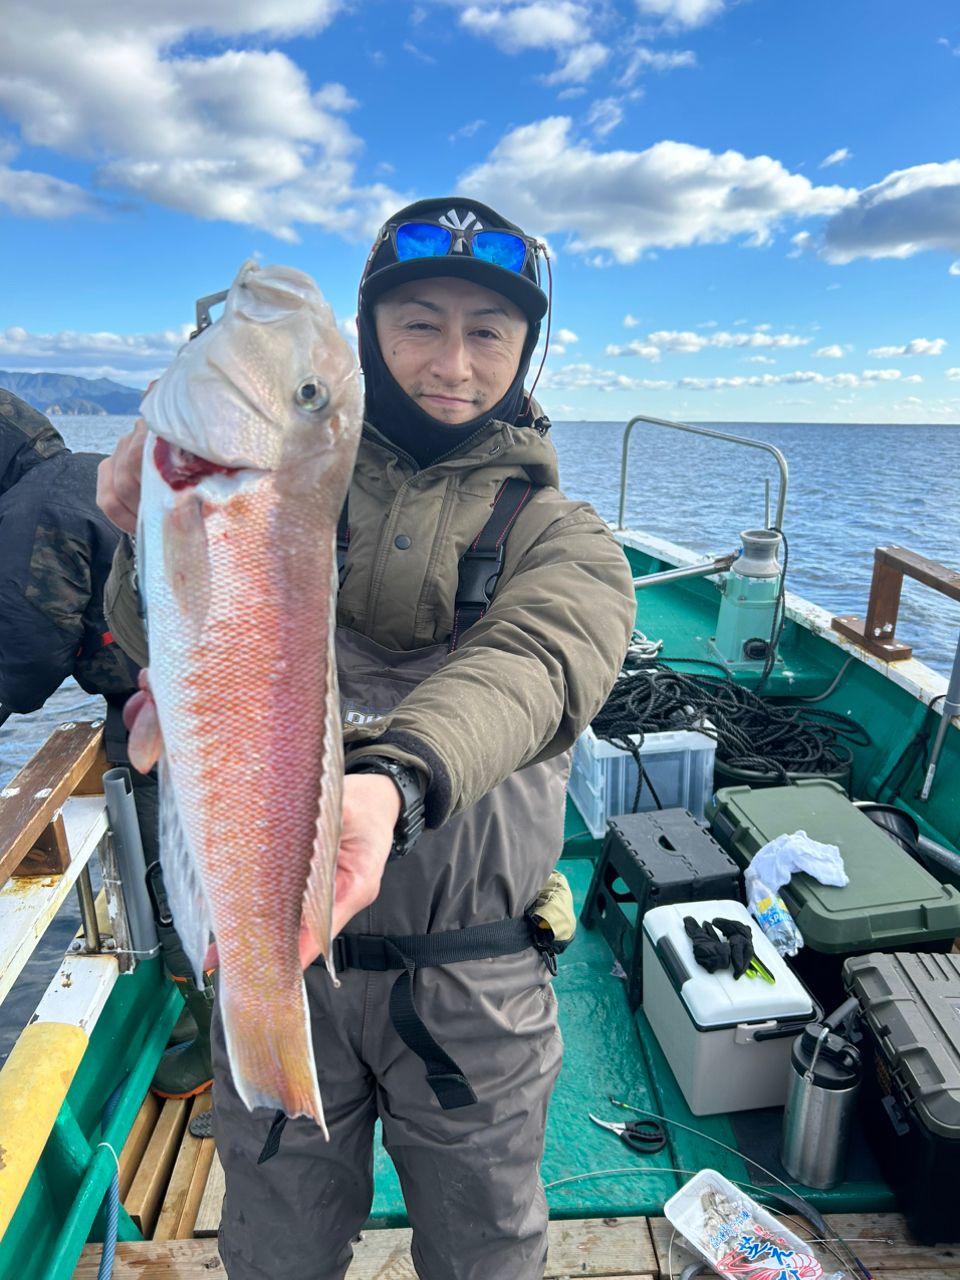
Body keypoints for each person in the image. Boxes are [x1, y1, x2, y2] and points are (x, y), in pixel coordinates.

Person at [97, 197, 637, 1280]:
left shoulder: (563, 535)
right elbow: (168, 639)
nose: (452, 359)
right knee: (276, 1238)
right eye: (418, 322)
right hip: (278, 963)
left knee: (487, 1245)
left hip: (475, 979)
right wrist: (139, 535)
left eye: (488, 330)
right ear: (368, 333)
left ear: (527, 349)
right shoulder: (288, 481)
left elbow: (535, 663)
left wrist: (391, 780)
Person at [0, 389, 213, 1100]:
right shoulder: (84, 470)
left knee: (176, 875)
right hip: (198, 695)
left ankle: (225, 1044)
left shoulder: (30, 508)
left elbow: (19, 659)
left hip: (164, 715)